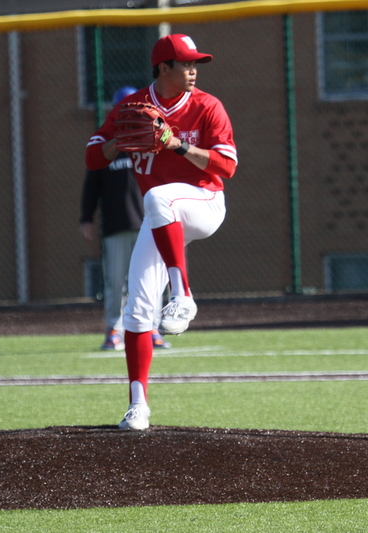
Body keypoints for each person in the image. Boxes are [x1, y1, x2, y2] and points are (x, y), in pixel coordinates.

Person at [84, 34, 238, 430]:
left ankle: (182, 294)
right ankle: (138, 406)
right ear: (163, 68)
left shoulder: (207, 105)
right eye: (185, 64)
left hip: (204, 204)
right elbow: (92, 156)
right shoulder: (132, 107)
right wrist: (118, 143)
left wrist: (176, 145)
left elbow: (226, 167)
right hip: (161, 218)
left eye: (195, 64)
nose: (193, 71)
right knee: (137, 308)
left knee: (158, 197)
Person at [80, 86, 172, 350]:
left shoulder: (152, 143)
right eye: (124, 110)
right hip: (116, 225)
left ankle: (152, 328)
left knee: (152, 280)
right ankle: (114, 329)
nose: (130, 116)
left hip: (151, 224)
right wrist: (86, 218)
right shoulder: (107, 147)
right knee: (116, 281)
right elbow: (91, 185)